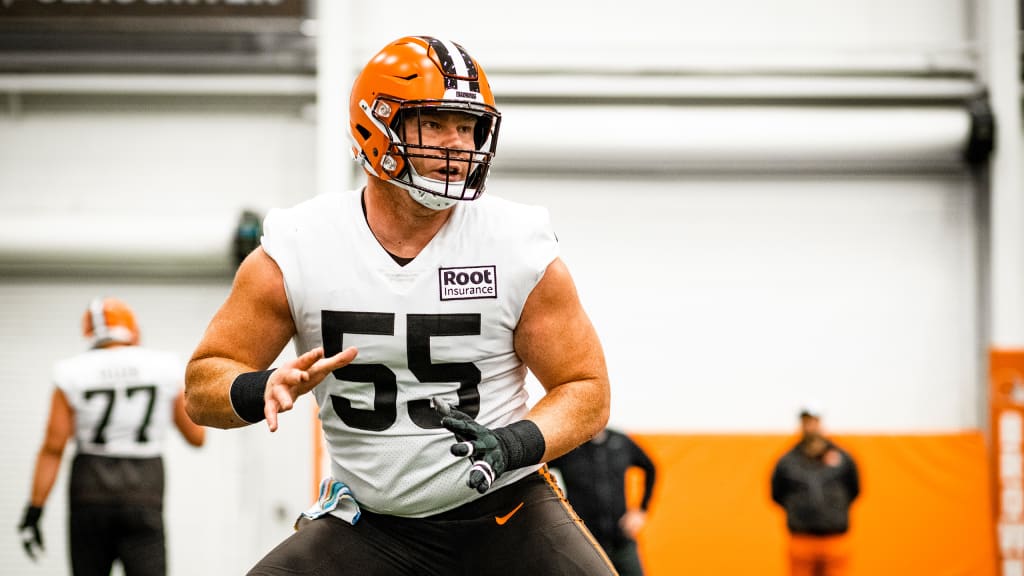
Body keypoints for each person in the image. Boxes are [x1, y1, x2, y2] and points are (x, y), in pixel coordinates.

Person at [184, 35, 615, 576]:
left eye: (468, 126)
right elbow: (202, 385)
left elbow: (586, 389)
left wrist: (515, 442)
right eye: (434, 123)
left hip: (503, 509)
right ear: (375, 126)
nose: (457, 144)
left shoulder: (516, 243)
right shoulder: (299, 245)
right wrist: (255, 386)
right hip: (370, 521)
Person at [18, 296, 206, 576]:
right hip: (144, 488)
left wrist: (35, 509)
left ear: (89, 334)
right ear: (133, 330)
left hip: (89, 487)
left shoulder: (71, 372)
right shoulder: (164, 366)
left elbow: (53, 447)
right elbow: (196, 436)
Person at [549, 427, 657, 576]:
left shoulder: (620, 441)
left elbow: (650, 467)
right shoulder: (568, 445)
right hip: (583, 544)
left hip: (621, 539)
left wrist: (641, 510)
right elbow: (536, 472)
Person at [770, 404, 860, 576]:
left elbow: (854, 490)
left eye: (813, 421)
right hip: (801, 539)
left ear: (821, 423)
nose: (810, 426)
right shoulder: (787, 461)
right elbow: (777, 494)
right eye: (806, 422)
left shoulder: (843, 459)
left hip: (835, 539)